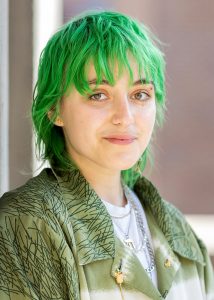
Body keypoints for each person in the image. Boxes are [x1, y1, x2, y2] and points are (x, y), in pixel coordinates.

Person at [0, 10, 213, 300]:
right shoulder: (26, 224)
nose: (125, 117)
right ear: (55, 109)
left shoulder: (178, 233)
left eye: (140, 94)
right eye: (98, 94)